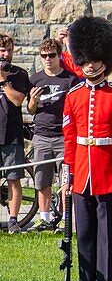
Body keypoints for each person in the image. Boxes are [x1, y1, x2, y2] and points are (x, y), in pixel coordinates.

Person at [60, 16, 112, 281]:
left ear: (105, 59)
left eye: (95, 59)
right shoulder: (74, 96)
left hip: (109, 173)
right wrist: (68, 175)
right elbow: (70, 140)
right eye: (86, 60)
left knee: (107, 237)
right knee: (85, 236)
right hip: (82, 173)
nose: (91, 65)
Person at [27, 38, 78, 232]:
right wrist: (33, 100)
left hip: (63, 136)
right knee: (42, 179)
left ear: (59, 56)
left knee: (65, 180)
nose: (47, 59)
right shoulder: (35, 79)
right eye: (44, 56)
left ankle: (65, 219)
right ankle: (45, 217)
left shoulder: (70, 79)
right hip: (41, 135)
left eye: (51, 55)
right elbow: (31, 110)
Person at [0, 32, 31, 233]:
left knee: (13, 178)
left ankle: (13, 220)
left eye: (9, 50)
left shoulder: (19, 74)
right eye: (2, 50)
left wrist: (3, 81)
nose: (6, 54)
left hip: (11, 134)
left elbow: (18, 100)